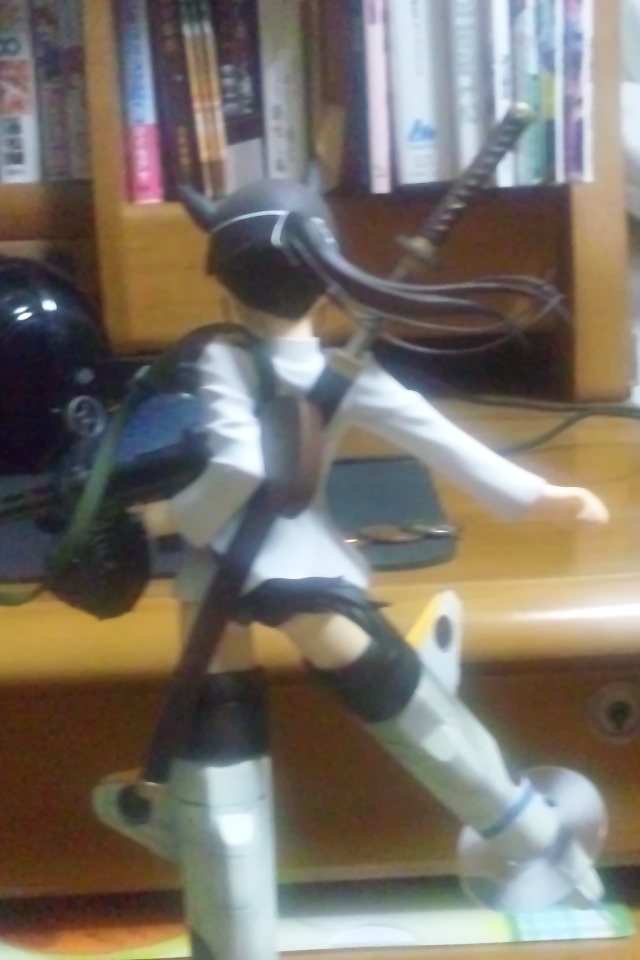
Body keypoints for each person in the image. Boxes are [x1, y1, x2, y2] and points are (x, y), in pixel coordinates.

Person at [93, 179, 609, 960]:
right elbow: (436, 435)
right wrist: (537, 497)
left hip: (233, 570)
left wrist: (171, 517)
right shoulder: (339, 372)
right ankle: (525, 827)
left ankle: (234, 926)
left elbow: (240, 465)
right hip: (296, 566)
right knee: (374, 690)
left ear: (225, 282)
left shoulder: (226, 360)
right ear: (323, 275)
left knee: (228, 740)